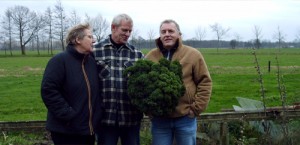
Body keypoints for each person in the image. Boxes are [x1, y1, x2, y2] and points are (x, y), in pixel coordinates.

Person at [145, 19, 212, 145]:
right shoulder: (151, 56)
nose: (167, 34)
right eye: (163, 31)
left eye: (171, 31)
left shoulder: (193, 54)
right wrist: (149, 110)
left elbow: (205, 82)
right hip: (160, 120)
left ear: (179, 34)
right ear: (160, 35)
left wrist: (196, 109)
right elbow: (143, 86)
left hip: (185, 118)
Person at [41, 23, 102, 145]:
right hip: (66, 131)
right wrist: (68, 115)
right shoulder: (59, 60)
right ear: (77, 39)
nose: (94, 40)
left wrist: (97, 115)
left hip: (88, 130)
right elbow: (48, 90)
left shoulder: (91, 62)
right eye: (89, 37)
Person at [93, 13, 144, 145]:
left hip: (130, 117)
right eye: (124, 30)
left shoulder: (137, 55)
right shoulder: (95, 51)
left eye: (130, 31)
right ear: (113, 27)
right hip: (105, 117)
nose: (127, 34)